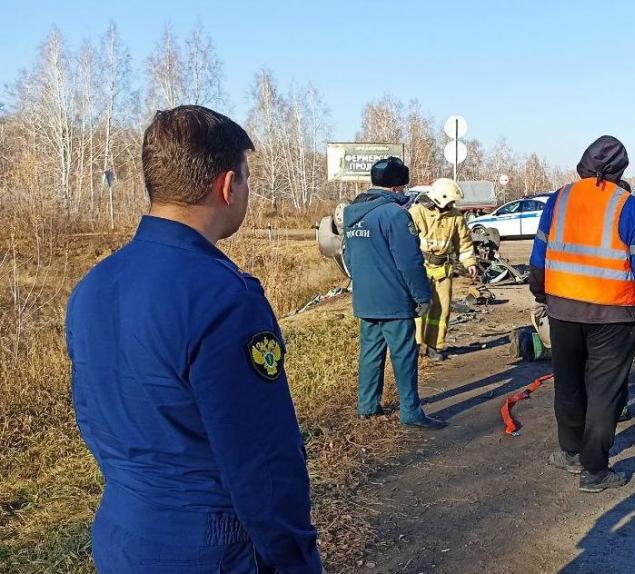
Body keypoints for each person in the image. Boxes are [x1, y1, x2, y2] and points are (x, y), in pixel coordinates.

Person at [66, 105, 322, 573]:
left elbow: (95, 417)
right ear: (226, 185)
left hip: (122, 533)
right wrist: (294, 557)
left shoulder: (94, 285)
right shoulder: (226, 298)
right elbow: (262, 459)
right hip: (210, 547)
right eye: (246, 180)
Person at [529, 135, 635, 493]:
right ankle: (594, 471)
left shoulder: (559, 199)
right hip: (614, 314)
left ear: (583, 163)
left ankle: (571, 452)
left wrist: (541, 294)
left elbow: (538, 256)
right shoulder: (629, 206)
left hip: (563, 310)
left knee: (569, 383)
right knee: (605, 392)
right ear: (621, 168)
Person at [343, 157, 447, 430]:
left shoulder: (354, 213)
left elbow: (349, 258)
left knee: (370, 353)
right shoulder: (395, 215)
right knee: (403, 355)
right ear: (398, 186)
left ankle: (367, 405)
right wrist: (423, 296)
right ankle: (411, 411)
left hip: (365, 299)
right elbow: (410, 263)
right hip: (393, 300)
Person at [407, 178, 479, 361]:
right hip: (420, 268)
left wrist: (469, 262)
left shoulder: (455, 217)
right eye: (450, 201)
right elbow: (405, 241)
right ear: (440, 197)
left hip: (443, 270)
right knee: (418, 309)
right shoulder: (416, 213)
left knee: (442, 310)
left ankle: (435, 346)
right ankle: (415, 345)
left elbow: (463, 243)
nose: (452, 205)